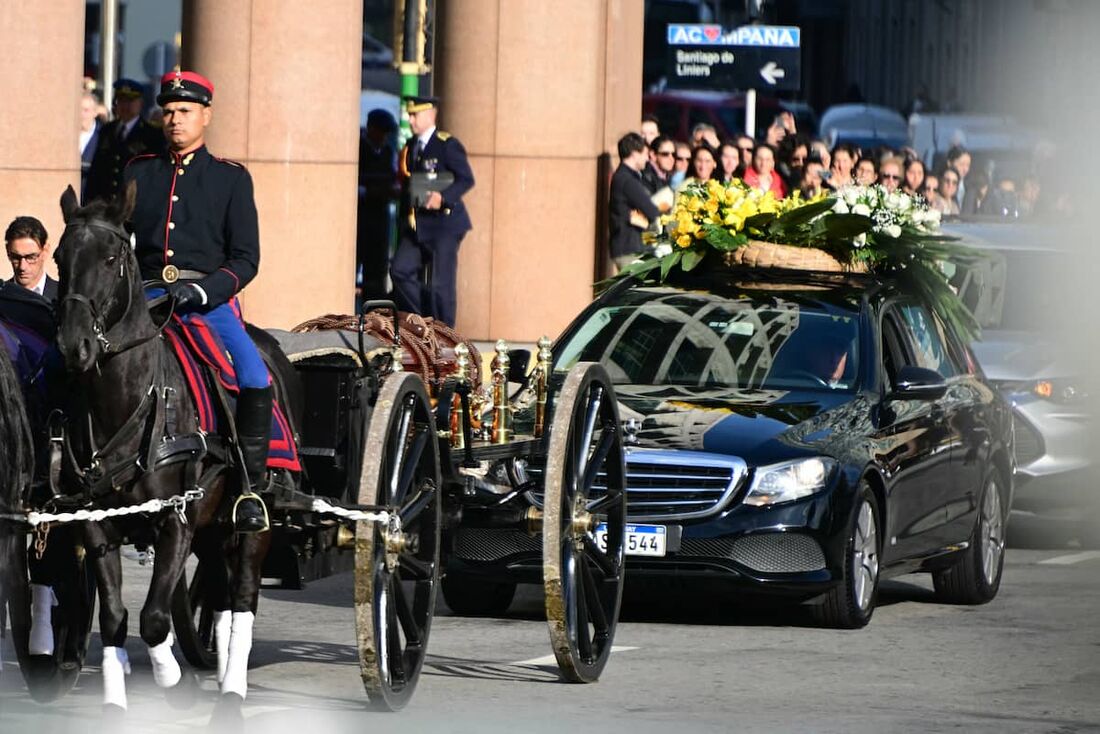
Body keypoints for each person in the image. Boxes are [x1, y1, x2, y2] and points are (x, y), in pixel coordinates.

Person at [124, 70, 269, 533]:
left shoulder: (229, 179)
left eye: (184, 111)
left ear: (206, 115)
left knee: (253, 373)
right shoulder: (138, 171)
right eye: (168, 111)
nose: (174, 120)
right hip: (146, 297)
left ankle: (249, 489)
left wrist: (205, 290)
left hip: (206, 301)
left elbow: (246, 259)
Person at [391, 95, 475, 327]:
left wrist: (443, 196)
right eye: (409, 115)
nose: (411, 120)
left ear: (430, 115)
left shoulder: (447, 144)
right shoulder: (411, 146)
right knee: (400, 270)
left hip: (444, 223)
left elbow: (466, 179)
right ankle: (423, 320)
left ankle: (445, 332)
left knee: (441, 284)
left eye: (415, 115)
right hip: (419, 223)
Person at [85, 78, 165, 204]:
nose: (125, 106)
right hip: (106, 206)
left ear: (140, 103)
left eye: (130, 101)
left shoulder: (152, 134)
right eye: (121, 101)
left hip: (134, 206)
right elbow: (96, 171)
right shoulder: (108, 130)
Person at [358, 108, 400, 299]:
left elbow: (392, 178)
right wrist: (368, 191)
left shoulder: (388, 151)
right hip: (361, 216)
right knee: (356, 260)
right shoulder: (359, 148)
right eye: (381, 131)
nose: (383, 137)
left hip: (380, 216)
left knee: (377, 270)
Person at [608, 132, 660, 271]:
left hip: (628, 247)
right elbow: (652, 211)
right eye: (644, 154)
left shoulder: (623, 177)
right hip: (631, 249)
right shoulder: (628, 181)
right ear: (634, 153)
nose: (647, 159)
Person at [5, 217, 57, 302]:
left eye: (31, 257)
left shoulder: (64, 298)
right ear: (8, 251)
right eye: (16, 257)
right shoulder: (3, 296)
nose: (22, 267)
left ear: (45, 251)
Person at [79, 91, 102, 201]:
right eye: (79, 110)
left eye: (86, 110)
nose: (81, 114)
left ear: (95, 112)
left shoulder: (102, 135)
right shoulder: (67, 135)